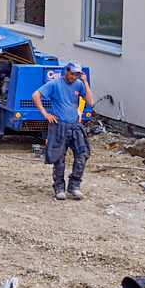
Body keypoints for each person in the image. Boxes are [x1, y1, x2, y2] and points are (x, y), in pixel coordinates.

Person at [32, 61, 93, 200]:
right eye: (72, 74)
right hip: (59, 126)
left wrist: (85, 83)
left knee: (82, 155)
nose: (73, 77)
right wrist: (46, 115)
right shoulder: (55, 83)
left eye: (77, 74)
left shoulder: (79, 84)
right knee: (59, 157)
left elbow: (89, 101)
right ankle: (59, 187)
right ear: (66, 71)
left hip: (75, 126)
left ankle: (74, 185)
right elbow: (35, 96)